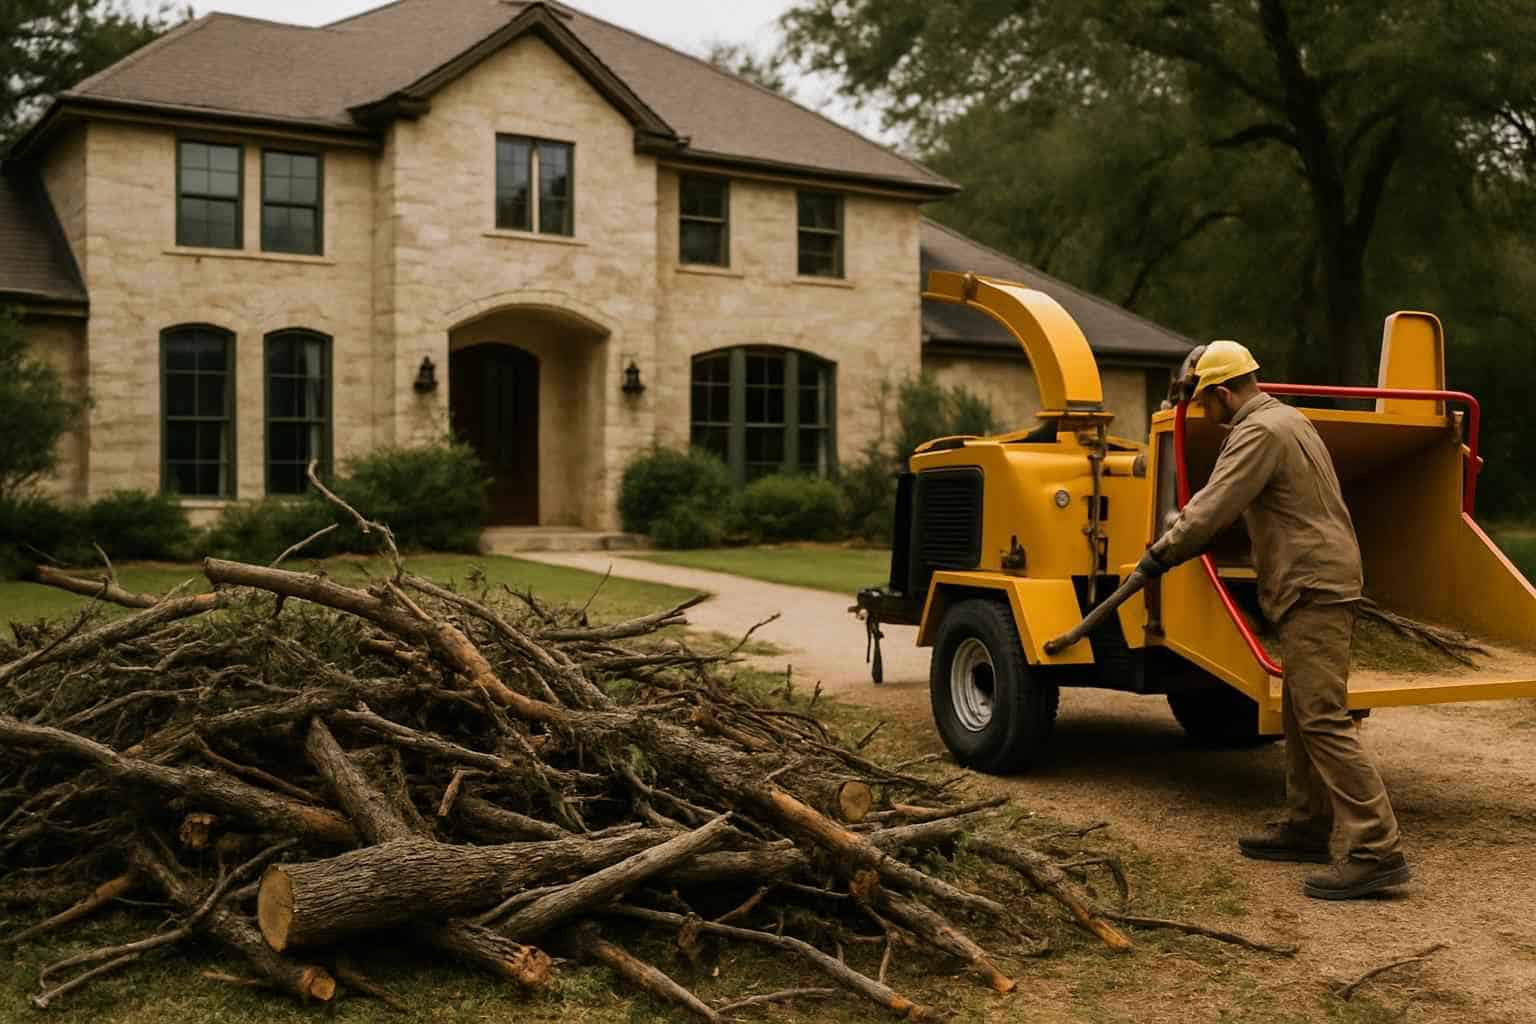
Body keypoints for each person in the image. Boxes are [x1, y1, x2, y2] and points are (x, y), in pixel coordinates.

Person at [1136, 341, 1410, 900]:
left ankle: (1377, 848)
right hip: (1315, 579)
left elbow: (1213, 507)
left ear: (1221, 392)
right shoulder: (1290, 418)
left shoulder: (1257, 431)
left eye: (1203, 400)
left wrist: (1160, 553)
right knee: (1299, 711)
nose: (1203, 412)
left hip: (1314, 585)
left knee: (1323, 716)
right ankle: (1307, 826)